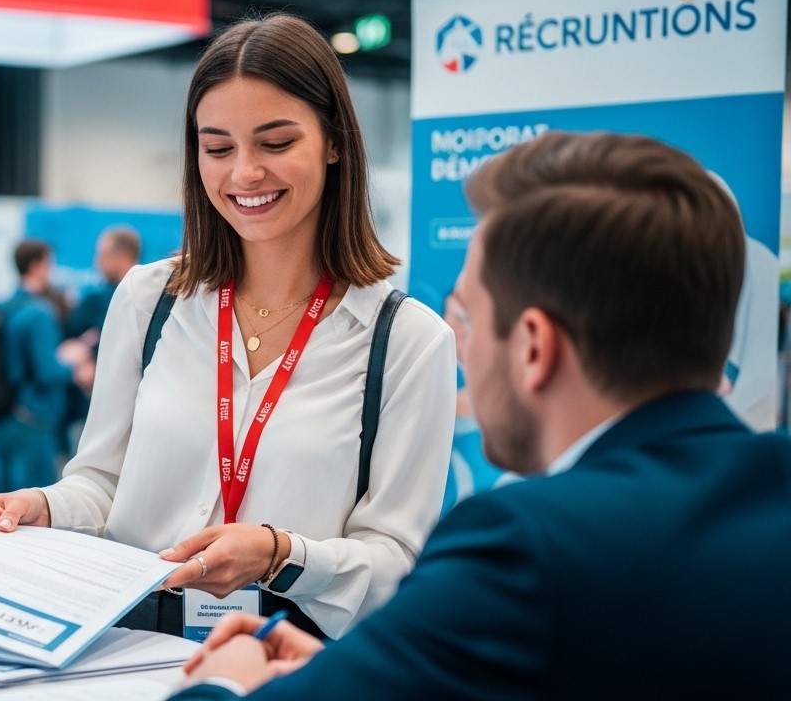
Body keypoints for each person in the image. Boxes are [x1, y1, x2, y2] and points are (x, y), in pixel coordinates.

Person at [169, 132, 791, 699]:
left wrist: (226, 681)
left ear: (534, 348)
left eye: (464, 318)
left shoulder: (525, 549)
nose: (457, 345)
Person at [0, 14, 456, 641]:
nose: (243, 174)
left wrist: (281, 554)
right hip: (122, 642)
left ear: (334, 142)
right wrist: (46, 505)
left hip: (289, 656)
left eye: (276, 144)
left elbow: (394, 560)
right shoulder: (150, 300)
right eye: (217, 148)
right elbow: (103, 482)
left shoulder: (408, 341)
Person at [0, 240, 91, 495]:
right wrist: (72, 361)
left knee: (0, 498)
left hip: (0, 415)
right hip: (32, 418)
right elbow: (47, 372)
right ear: (37, 265)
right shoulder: (40, 313)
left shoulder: (3, 306)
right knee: (29, 503)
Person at [62, 226, 142, 455]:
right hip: (95, 406)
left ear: (123, 256)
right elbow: (69, 339)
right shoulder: (94, 299)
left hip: (136, 407)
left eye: (103, 255)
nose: (97, 261)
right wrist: (84, 361)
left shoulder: (150, 296)